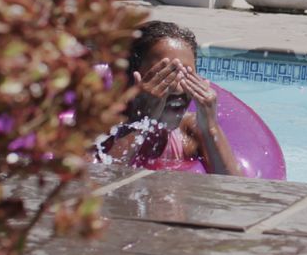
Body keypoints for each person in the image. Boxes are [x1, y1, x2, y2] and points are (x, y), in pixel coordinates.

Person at [94, 21, 243, 176]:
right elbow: (99, 187)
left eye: (186, 75)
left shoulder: (191, 130)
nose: (178, 89)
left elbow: (236, 192)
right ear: (129, 78)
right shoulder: (104, 130)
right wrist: (141, 120)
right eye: (164, 75)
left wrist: (210, 127)